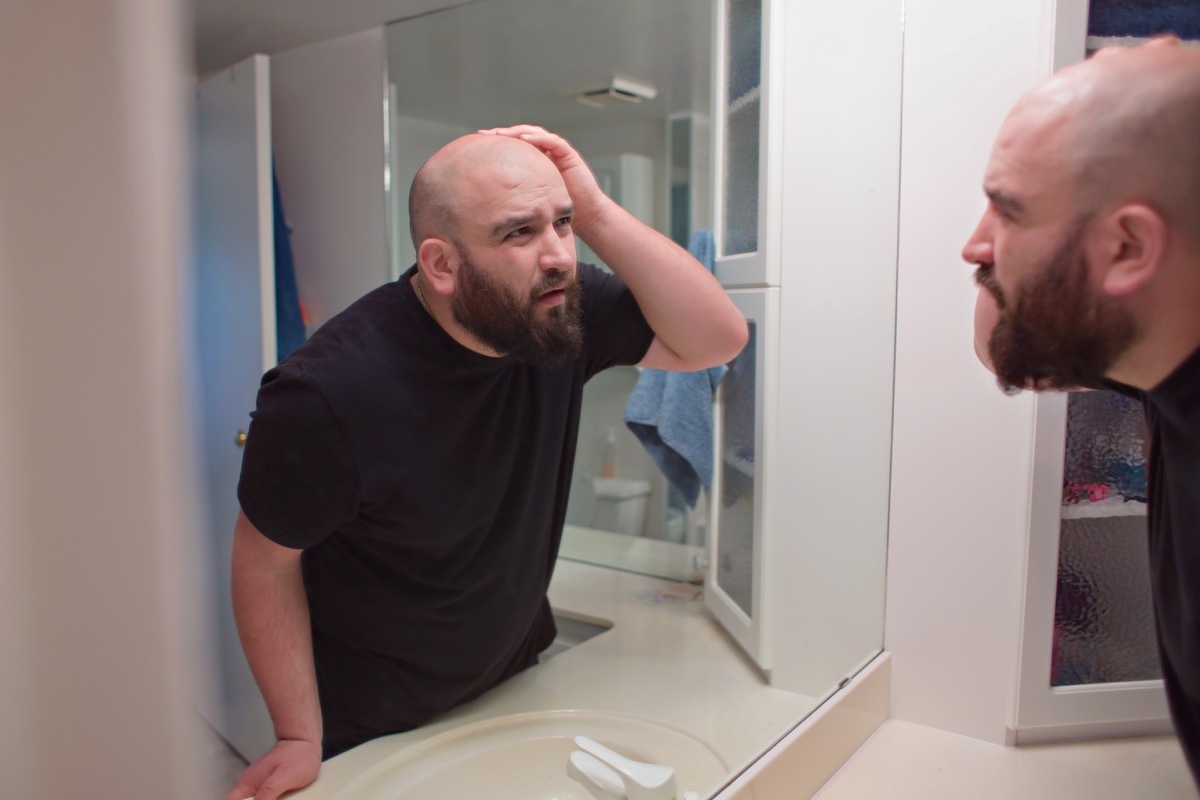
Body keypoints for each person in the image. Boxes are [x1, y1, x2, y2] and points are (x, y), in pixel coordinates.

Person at [224, 125, 748, 800]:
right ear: (441, 265)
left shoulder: (557, 313)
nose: (559, 254)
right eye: (519, 233)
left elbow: (717, 338)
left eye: (563, 223)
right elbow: (263, 562)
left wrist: (596, 210)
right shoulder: (326, 394)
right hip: (376, 719)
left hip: (518, 674)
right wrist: (298, 736)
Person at [962, 37, 1200, 787]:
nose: (972, 246)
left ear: (1129, 248)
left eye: (1007, 211)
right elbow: (1002, 346)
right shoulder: (1168, 354)